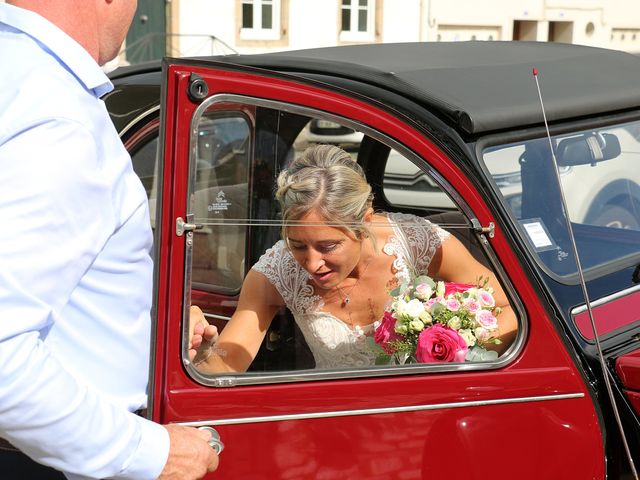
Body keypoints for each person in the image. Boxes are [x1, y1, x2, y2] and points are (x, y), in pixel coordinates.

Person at [0, 1, 217, 479]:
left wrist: (146, 328)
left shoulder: (18, 78)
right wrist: (147, 453)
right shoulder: (55, 113)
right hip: (43, 461)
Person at [189, 144, 517, 372]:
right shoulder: (275, 273)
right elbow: (227, 364)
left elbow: (510, 310)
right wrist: (203, 349)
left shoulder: (419, 242)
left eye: (328, 246)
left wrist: (459, 352)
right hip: (340, 417)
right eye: (298, 245)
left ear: (364, 224)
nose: (312, 263)